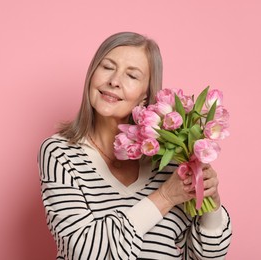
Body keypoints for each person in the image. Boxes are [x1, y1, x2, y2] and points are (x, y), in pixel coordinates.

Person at [38, 32, 232, 259]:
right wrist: (164, 198)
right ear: (91, 74)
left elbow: (208, 256)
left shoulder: (171, 161)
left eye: (131, 75)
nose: (114, 81)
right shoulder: (60, 153)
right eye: (107, 67)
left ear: (145, 95)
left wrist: (211, 201)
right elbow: (83, 250)